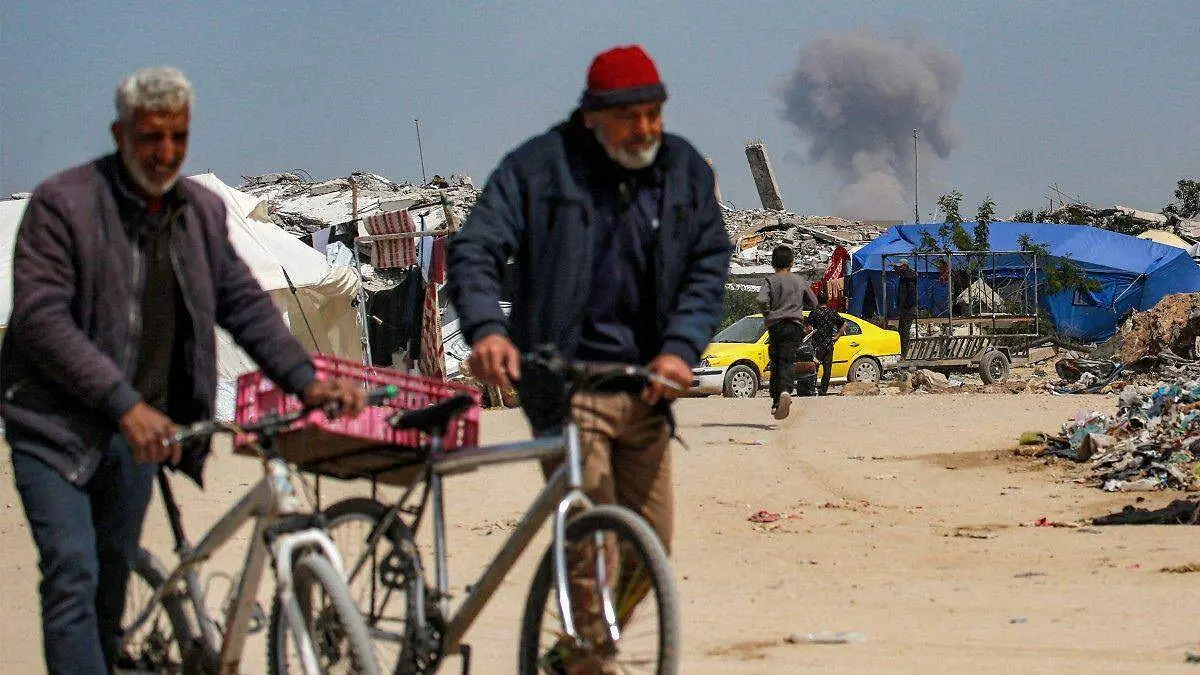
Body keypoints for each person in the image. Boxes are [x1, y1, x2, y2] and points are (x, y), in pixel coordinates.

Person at [1, 67, 365, 675]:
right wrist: (122, 403)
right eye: (151, 137)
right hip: (53, 427)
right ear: (120, 134)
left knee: (110, 585)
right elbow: (41, 321)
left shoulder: (199, 213)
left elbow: (243, 303)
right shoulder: (63, 206)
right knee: (72, 576)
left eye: (179, 136)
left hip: (138, 430)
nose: (166, 153)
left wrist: (306, 379)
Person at [446, 45, 732, 670]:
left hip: (646, 389)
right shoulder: (538, 168)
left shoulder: (681, 170)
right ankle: (590, 656)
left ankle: (580, 649)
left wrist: (681, 349)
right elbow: (475, 247)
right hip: (566, 389)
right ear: (593, 115)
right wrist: (488, 329)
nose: (647, 130)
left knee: (650, 549)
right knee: (591, 542)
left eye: (655, 114)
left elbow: (708, 265)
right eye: (631, 117)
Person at [757, 245, 818, 419]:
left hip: (775, 325)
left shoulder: (770, 280)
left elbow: (761, 299)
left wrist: (768, 313)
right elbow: (813, 302)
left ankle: (777, 399)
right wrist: (798, 304)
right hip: (794, 325)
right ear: (791, 262)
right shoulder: (799, 281)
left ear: (772, 263)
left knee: (776, 360)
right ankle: (785, 391)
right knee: (787, 359)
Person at [804, 289, 848, 395]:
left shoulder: (814, 313)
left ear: (817, 300)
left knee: (814, 368)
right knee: (827, 370)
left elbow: (809, 329)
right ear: (827, 300)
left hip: (816, 345)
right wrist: (837, 336)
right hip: (829, 345)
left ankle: (812, 389)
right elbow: (844, 324)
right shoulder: (832, 312)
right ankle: (823, 390)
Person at [894, 259, 919, 357]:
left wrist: (897, 268)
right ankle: (901, 352)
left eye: (901, 266)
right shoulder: (904, 277)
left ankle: (904, 354)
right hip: (904, 308)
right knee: (901, 331)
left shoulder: (911, 275)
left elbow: (909, 274)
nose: (899, 269)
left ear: (905, 266)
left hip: (909, 308)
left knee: (905, 331)